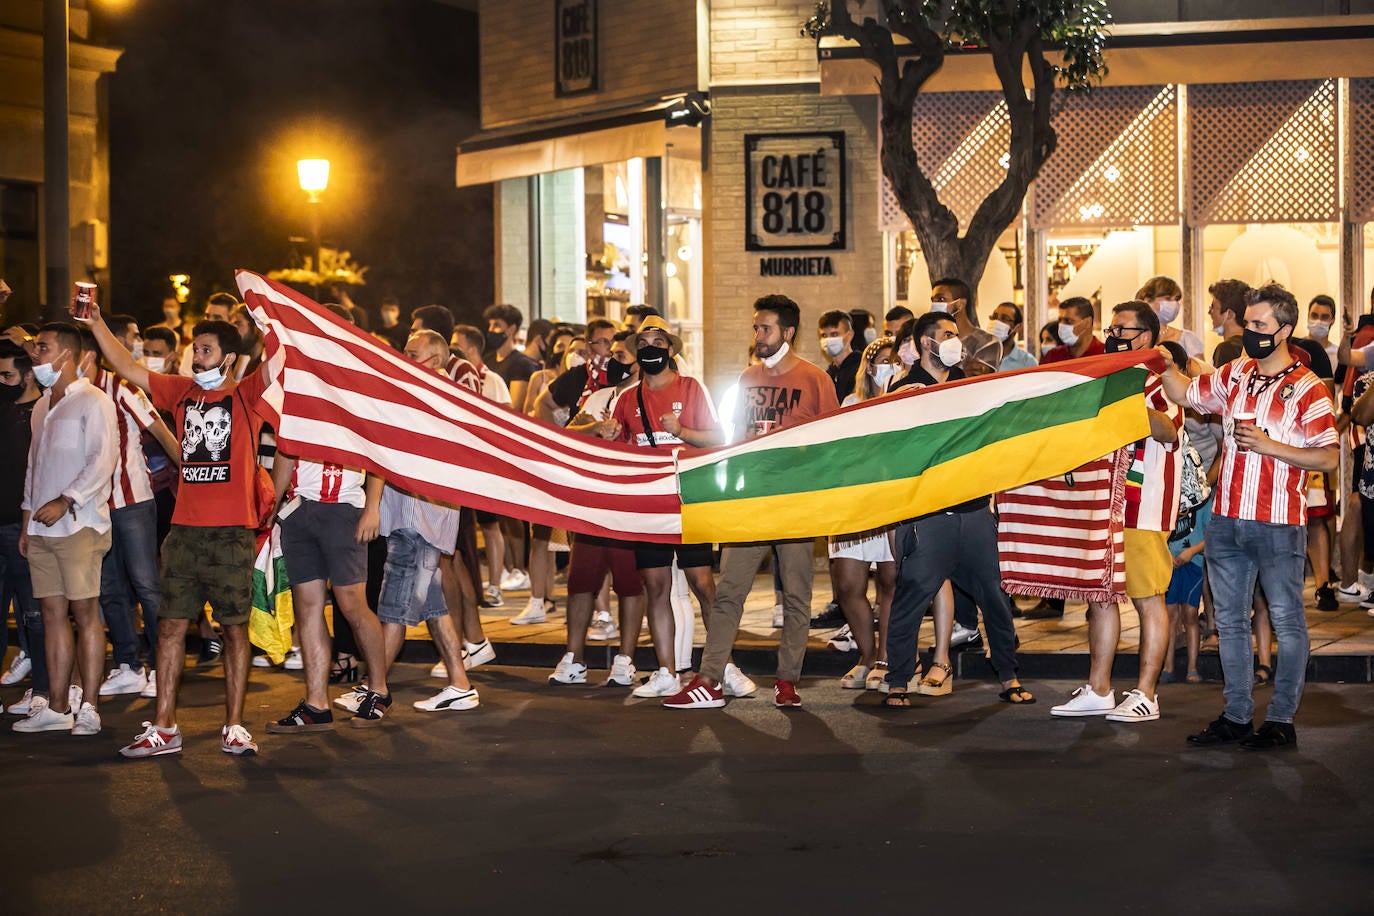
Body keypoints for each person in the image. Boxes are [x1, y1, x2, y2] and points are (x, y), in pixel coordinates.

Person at [80, 305, 267, 758]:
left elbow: (281, 357)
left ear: (227, 358)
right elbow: (126, 365)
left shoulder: (248, 396)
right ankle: (164, 727)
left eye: (206, 350)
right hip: (183, 531)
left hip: (230, 534)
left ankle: (235, 725)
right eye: (194, 349)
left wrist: (265, 315)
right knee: (169, 628)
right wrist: (94, 323)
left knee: (234, 630)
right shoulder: (180, 392)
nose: (195, 358)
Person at [1158, 283, 1338, 750]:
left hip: (1279, 520)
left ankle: (1280, 720)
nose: (1251, 331)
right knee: (1232, 622)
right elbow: (1183, 391)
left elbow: (1330, 458)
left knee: (1286, 620)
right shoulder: (1235, 373)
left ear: (1284, 330)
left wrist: (1270, 446)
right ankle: (1237, 715)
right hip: (1227, 519)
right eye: (1249, 323)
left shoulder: (1308, 387)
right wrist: (1160, 361)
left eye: (1260, 325)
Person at [665, 294, 840, 709]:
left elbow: (833, 444)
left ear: (788, 332)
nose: (758, 335)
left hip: (795, 503)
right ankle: (709, 679)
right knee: (729, 592)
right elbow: (734, 436)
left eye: (765, 328)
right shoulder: (747, 379)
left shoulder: (816, 380)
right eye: (756, 328)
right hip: (750, 502)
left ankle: (787, 680)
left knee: (796, 596)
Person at [876, 312, 1032, 709]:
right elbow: (890, 444)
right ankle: (897, 680)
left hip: (976, 512)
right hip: (929, 518)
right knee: (911, 598)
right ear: (927, 343)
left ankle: (1009, 675)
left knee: (995, 600)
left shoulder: (968, 383)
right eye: (947, 335)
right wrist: (896, 404)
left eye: (956, 334)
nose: (955, 341)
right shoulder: (906, 388)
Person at [1050, 301, 1182, 723]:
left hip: (1143, 506)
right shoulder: (1108, 376)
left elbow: (1170, 428)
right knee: (1101, 599)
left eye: (1122, 329)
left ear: (1145, 335)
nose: (1114, 335)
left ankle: (1147, 692)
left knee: (1148, 599)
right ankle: (1099, 688)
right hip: (1104, 503)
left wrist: (1128, 406)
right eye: (1112, 327)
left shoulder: (1162, 378)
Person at [603, 317, 727, 698]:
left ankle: (721, 667)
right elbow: (618, 454)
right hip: (649, 506)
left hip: (689, 500)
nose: (649, 349)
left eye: (658, 342)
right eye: (643, 344)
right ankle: (665, 671)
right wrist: (606, 434)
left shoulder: (691, 388)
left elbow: (719, 438)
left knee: (703, 584)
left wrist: (682, 432)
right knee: (655, 586)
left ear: (671, 350)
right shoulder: (626, 398)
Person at [13, 323, 117, 735]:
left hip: (80, 525)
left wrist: (68, 498)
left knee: (85, 613)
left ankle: (89, 705)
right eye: (36, 347)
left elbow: (102, 459)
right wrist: (26, 524)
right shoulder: (42, 406)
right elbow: (33, 471)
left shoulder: (94, 400)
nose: (35, 354)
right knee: (52, 615)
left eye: (43, 347)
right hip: (41, 530)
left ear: (67, 356)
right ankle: (57, 706)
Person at [375, 330, 480, 713]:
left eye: (411, 352)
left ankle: (374, 689)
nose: (403, 357)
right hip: (416, 517)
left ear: (434, 360)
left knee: (394, 607)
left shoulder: (439, 400)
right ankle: (460, 683)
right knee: (433, 607)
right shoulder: (422, 397)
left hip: (421, 518)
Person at [266, 455, 395, 731]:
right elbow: (285, 453)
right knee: (308, 607)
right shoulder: (295, 412)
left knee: (352, 605)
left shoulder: (352, 409)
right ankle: (316, 705)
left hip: (344, 509)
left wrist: (372, 507)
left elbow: (373, 451)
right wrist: (270, 507)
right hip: (299, 510)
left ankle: (379, 690)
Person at [548, 332, 648, 688]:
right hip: (595, 502)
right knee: (580, 581)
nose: (613, 360)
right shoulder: (602, 394)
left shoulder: (649, 397)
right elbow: (572, 431)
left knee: (629, 583)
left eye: (621, 353)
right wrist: (597, 428)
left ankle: (625, 659)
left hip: (632, 503)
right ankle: (574, 657)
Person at [88, 319, 179, 700]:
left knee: (146, 584)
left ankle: (162, 665)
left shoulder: (120, 386)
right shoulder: (66, 394)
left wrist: (188, 477)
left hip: (133, 500)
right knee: (108, 588)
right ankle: (128, 664)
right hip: (93, 506)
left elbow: (158, 429)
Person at [831, 336, 899, 691]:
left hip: (892, 501)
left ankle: (886, 659)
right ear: (869, 367)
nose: (886, 367)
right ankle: (867, 655)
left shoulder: (906, 399)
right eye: (881, 360)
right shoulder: (852, 403)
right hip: (855, 502)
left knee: (890, 582)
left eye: (893, 361)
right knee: (847, 584)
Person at [0, 342, 46, 700]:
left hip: (25, 526)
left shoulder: (43, 410)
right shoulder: (3, 408)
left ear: (28, 374)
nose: (2, 381)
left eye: (7, 375)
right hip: (4, 525)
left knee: (34, 613)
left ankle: (44, 691)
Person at [930, 277, 1000, 376]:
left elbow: (976, 378)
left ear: (960, 304)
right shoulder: (932, 340)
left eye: (941, 299)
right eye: (933, 300)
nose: (935, 305)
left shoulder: (988, 342)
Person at [483, 303, 538, 414]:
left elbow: (514, 408)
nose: (491, 330)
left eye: (497, 325)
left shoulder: (521, 363)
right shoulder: (487, 359)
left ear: (511, 329)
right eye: (490, 325)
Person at [1137, 276, 1204, 359]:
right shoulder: (1134, 337)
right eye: (1168, 298)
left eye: (1176, 299)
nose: (1174, 304)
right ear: (1147, 300)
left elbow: (1202, 371)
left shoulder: (1188, 339)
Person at [1041, 296, 1102, 363]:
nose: (1062, 326)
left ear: (1087, 323)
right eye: (1060, 320)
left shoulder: (1105, 354)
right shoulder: (1053, 356)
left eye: (1068, 320)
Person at [818, 309, 861, 404]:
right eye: (824, 335)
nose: (828, 340)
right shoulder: (829, 373)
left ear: (850, 335)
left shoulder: (861, 368)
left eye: (834, 334)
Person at [1208, 279, 1250, 367]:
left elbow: (1222, 381)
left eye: (1213, 307)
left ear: (1230, 314)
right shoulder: (1251, 343)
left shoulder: (1226, 349)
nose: (1210, 312)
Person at [987, 302, 1036, 371]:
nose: (997, 322)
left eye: (1004, 319)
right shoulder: (979, 356)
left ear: (1017, 327)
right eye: (994, 317)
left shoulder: (1028, 362)